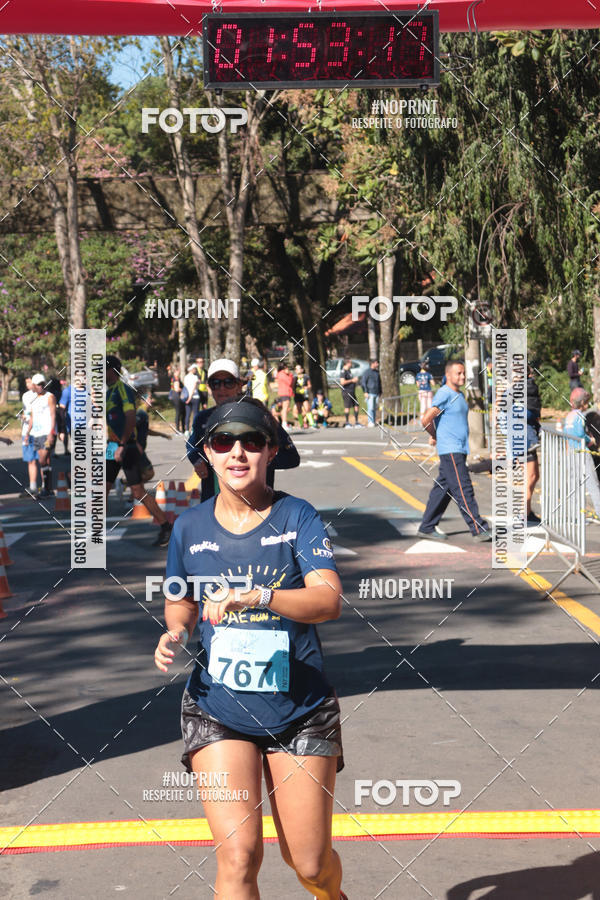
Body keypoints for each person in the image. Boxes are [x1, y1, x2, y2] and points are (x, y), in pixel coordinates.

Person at [154, 395, 346, 900]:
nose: (237, 452)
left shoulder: (297, 516)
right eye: (223, 442)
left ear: (272, 451)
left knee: (310, 864)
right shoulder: (189, 527)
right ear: (207, 454)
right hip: (217, 707)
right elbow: (180, 601)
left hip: (300, 709)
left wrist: (258, 596)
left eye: (252, 441)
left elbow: (328, 600)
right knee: (238, 857)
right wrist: (175, 631)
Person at [187, 359, 300, 502]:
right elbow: (192, 446)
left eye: (228, 382)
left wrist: (255, 461)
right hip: (213, 504)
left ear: (239, 385)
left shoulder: (259, 416)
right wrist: (197, 460)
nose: (222, 388)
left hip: (257, 505)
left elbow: (291, 457)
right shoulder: (202, 418)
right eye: (215, 383)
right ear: (209, 387)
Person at [417, 360, 491, 542]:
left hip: (458, 448)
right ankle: (478, 528)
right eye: (458, 373)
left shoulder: (459, 394)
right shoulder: (445, 393)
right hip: (451, 449)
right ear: (448, 375)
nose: (463, 376)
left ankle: (426, 527)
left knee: (443, 489)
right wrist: (435, 435)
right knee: (463, 488)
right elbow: (426, 419)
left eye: (463, 373)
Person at [105, 355, 172, 546]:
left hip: (127, 446)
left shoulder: (123, 389)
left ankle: (166, 526)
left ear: (113, 370)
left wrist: (122, 444)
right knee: (101, 489)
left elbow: (131, 417)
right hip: (112, 445)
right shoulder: (109, 392)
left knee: (138, 492)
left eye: (104, 369)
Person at [24, 373, 57, 497]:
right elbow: (32, 417)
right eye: (38, 384)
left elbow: (53, 415)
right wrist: (27, 433)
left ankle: (46, 487)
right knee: (42, 461)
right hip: (36, 434)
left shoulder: (50, 396)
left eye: (42, 384)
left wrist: (52, 432)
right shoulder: (33, 399)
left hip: (47, 433)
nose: (41, 386)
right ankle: (47, 488)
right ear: (33, 385)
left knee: (43, 458)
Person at [526, 365, 542, 525]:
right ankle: (524, 512)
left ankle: (527, 511)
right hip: (523, 437)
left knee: (534, 475)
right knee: (530, 476)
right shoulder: (514, 388)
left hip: (529, 433)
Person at [20, 376, 39, 497]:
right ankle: (33, 486)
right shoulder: (25, 396)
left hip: (37, 432)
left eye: (29, 382)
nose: (28, 385)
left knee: (42, 460)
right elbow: (25, 411)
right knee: (30, 460)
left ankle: (46, 487)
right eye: (26, 382)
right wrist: (24, 417)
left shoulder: (42, 396)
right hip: (26, 430)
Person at [361, 359, 382, 427]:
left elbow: (379, 382)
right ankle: (370, 422)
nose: (377, 364)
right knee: (370, 408)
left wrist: (380, 391)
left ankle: (373, 421)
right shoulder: (367, 372)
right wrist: (365, 391)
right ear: (372, 363)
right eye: (376, 363)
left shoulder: (377, 372)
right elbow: (363, 382)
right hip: (370, 393)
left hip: (376, 393)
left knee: (375, 408)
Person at [293, 364, 314, 429]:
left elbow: (309, 385)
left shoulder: (306, 376)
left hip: (304, 395)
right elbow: (292, 386)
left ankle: (312, 423)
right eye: (296, 369)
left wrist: (306, 387)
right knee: (299, 410)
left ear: (302, 370)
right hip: (297, 395)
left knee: (307, 408)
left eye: (299, 368)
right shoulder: (294, 377)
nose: (298, 370)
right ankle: (301, 424)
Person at [340, 359, 360, 428]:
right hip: (346, 392)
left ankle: (356, 422)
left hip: (352, 391)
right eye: (350, 363)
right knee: (347, 407)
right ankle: (347, 423)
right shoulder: (343, 371)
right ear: (347, 363)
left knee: (356, 405)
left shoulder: (349, 371)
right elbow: (342, 382)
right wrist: (352, 380)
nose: (351, 364)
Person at [183, 364, 200, 436]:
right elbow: (194, 388)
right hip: (195, 397)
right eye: (194, 369)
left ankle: (187, 430)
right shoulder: (195, 377)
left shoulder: (185, 377)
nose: (195, 370)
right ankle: (193, 429)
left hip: (186, 398)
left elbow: (185, 387)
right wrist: (190, 397)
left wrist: (188, 398)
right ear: (191, 369)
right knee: (195, 414)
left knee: (188, 414)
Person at [167, 365, 185, 433]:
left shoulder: (174, 378)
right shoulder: (176, 378)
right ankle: (177, 429)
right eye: (179, 370)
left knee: (179, 412)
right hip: (176, 396)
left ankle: (179, 429)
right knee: (178, 412)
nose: (179, 372)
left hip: (174, 396)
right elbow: (177, 389)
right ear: (176, 371)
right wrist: (184, 390)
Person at [59, 381, 72, 456]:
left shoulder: (88, 390)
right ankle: (66, 449)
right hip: (70, 421)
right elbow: (62, 408)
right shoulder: (67, 391)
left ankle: (66, 449)